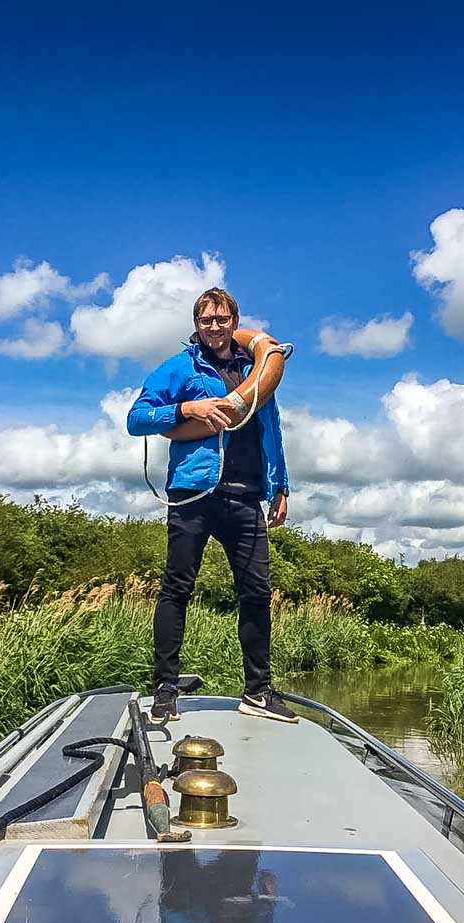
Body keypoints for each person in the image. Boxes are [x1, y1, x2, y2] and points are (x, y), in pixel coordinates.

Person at [126, 287, 298, 724]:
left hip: (246, 494)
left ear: (234, 322)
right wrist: (187, 406)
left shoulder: (255, 369)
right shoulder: (180, 367)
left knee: (257, 591)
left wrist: (280, 486)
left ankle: (257, 691)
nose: (215, 327)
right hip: (194, 492)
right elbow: (136, 418)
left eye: (222, 320)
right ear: (196, 324)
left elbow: (271, 430)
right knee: (177, 588)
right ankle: (165, 687)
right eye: (206, 320)